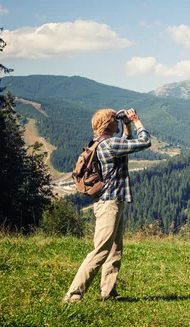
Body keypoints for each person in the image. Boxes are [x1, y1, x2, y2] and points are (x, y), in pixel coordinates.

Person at [63, 108, 151, 303]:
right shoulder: (110, 144)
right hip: (109, 204)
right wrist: (136, 121)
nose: (118, 122)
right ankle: (73, 295)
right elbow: (144, 141)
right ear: (109, 124)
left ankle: (108, 291)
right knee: (101, 250)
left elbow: (125, 142)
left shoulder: (101, 143)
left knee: (115, 250)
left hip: (113, 202)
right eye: (115, 120)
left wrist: (126, 124)